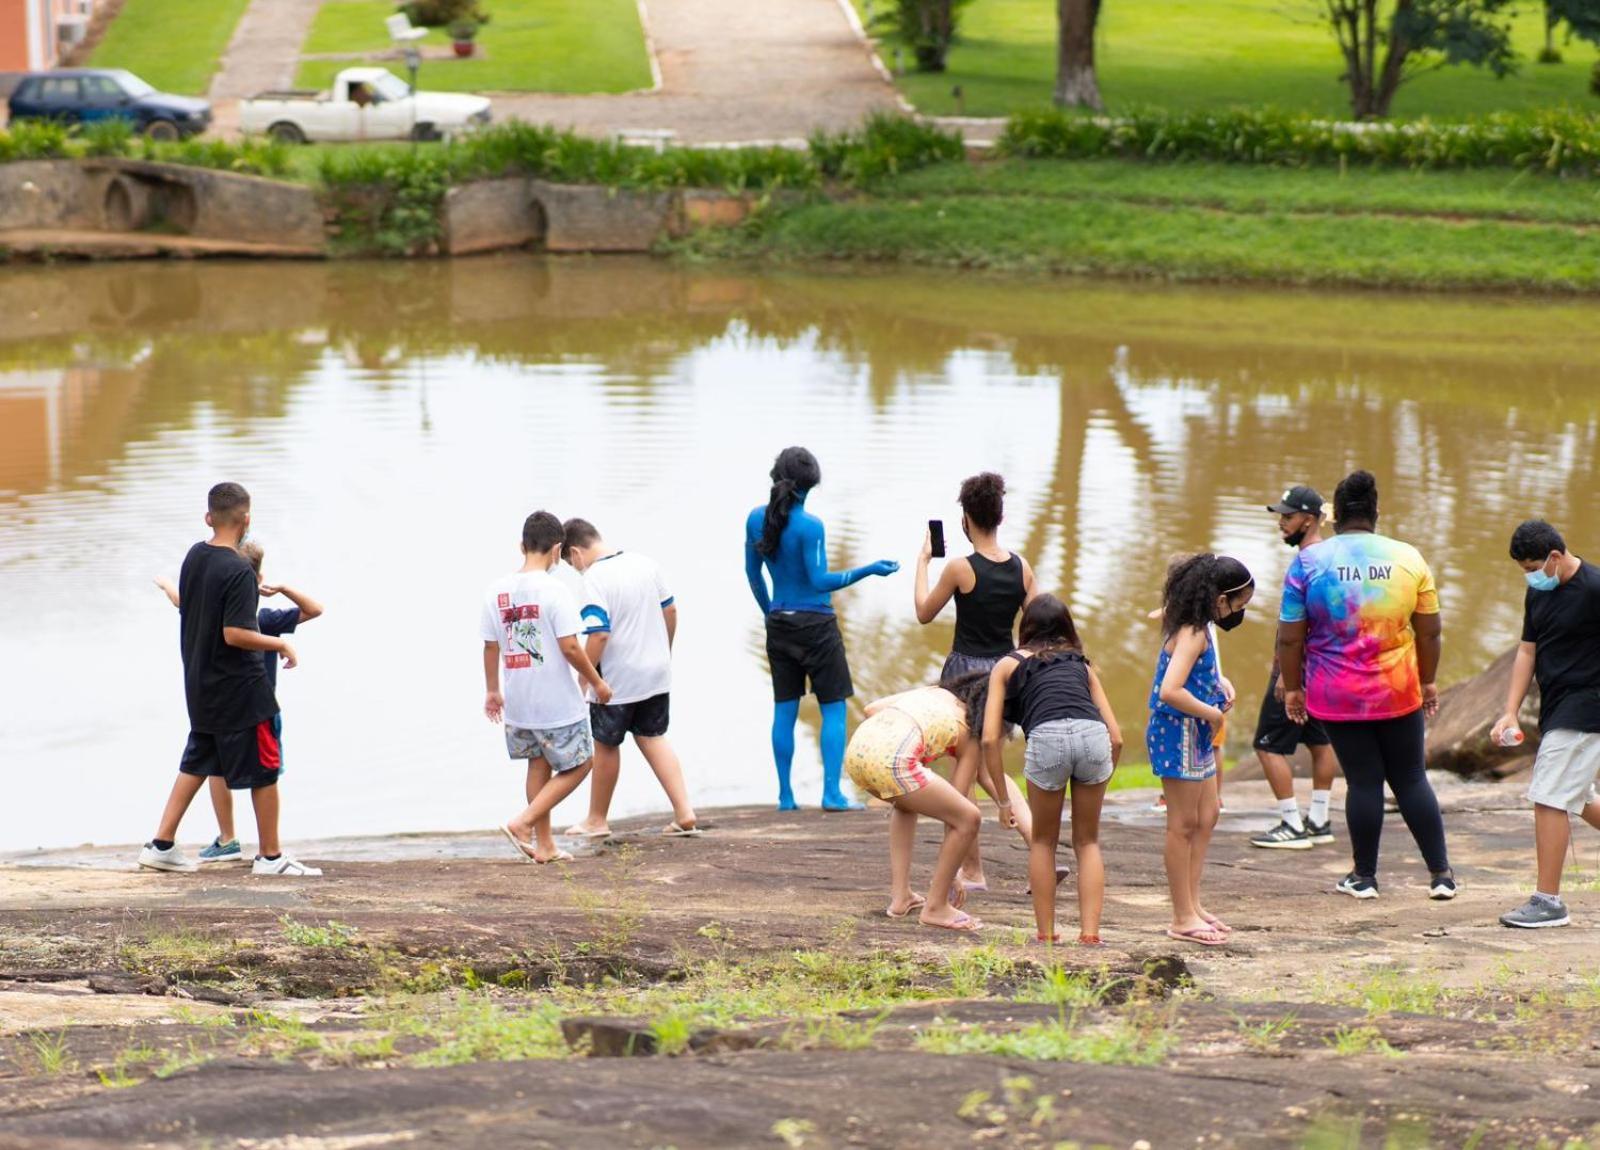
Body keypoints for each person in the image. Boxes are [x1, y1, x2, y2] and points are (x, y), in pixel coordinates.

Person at [1278, 470, 1456, 902]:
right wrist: (1428, 681)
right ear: (1377, 512)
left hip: (1337, 692)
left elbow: (1289, 636)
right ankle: (1441, 876)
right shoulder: (1409, 558)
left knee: (1363, 782)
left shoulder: (1308, 562)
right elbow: (1430, 633)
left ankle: (1365, 877)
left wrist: (1292, 688)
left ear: (1334, 514)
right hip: (1399, 689)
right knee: (1412, 777)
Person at [139, 483, 319, 877]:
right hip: (241, 689)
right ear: (246, 520)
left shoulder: (195, 556)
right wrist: (280, 645)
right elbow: (235, 633)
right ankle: (271, 858)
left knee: (199, 759)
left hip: (201, 684)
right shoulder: (238, 569)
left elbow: (189, 609)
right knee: (265, 767)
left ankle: (162, 844)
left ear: (209, 518)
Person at [744, 447, 899, 810]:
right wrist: (869, 569)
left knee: (784, 708)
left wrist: (771, 612)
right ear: (809, 486)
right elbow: (819, 579)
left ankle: (785, 796)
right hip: (816, 625)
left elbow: (753, 573)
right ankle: (831, 792)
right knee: (833, 706)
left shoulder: (754, 519)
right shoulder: (810, 526)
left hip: (780, 622)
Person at [913, 471, 1038, 886]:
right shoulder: (1022, 568)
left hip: (965, 676)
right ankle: (1031, 847)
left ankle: (975, 869)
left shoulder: (959, 568)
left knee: (967, 772)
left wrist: (921, 563)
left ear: (966, 518)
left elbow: (924, 612)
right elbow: (1037, 629)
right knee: (989, 769)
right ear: (999, 517)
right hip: (1005, 674)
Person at [983, 595, 1122, 946]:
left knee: (1043, 842)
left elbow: (988, 740)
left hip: (1047, 738)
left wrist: (1003, 801)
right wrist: (1103, 775)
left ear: (1025, 628)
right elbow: (1116, 737)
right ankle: (1090, 935)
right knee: (1087, 841)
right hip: (1093, 736)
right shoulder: (1082, 666)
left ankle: (1046, 935)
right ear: (1067, 629)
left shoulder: (1006, 666)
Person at [484, 511, 612, 864]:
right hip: (555, 701)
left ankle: (545, 846)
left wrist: (492, 691)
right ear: (558, 550)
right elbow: (571, 646)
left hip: (519, 702)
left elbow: (491, 645)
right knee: (582, 763)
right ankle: (522, 823)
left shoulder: (496, 590)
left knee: (538, 766)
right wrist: (598, 682)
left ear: (521, 545)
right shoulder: (556, 590)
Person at [560, 518, 698, 839]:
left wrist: (586, 676)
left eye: (570, 563)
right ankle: (684, 811)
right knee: (653, 736)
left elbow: (599, 634)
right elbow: (671, 611)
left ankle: (596, 819)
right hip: (656, 670)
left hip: (617, 678)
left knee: (606, 744)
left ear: (576, 553)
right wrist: (665, 652)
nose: (575, 569)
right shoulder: (645, 563)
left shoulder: (594, 579)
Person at [1493, 521, 1600, 929]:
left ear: (1555, 557)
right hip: (1557, 707)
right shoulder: (1539, 591)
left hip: (1587, 706)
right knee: (1580, 795)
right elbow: (1526, 652)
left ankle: (1548, 901)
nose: (1529, 576)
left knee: (1549, 795)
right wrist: (1509, 710)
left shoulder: (1594, 588)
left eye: (1532, 567)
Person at [1147, 553, 1254, 946]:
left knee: (1207, 816)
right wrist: (1215, 714)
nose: (1237, 613)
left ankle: (1193, 903)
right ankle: (1181, 917)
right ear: (1218, 598)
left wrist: (1219, 680)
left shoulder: (1196, 625)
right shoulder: (1192, 631)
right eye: (1237, 604)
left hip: (1195, 733)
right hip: (1178, 734)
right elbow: (1169, 690)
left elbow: (1192, 671)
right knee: (1183, 825)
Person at [846, 675, 989, 932]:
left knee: (905, 802)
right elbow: (957, 809)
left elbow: (872, 709)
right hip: (892, 760)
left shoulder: (932, 692)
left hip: (857, 754)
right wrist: (952, 876)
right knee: (969, 818)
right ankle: (935, 908)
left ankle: (901, 897)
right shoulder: (971, 730)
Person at [1249, 486, 1340, 850]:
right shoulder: (1332, 558)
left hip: (1297, 670)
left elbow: (1292, 629)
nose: (1281, 524)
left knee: (1266, 746)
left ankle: (1292, 824)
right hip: (1323, 670)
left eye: (1287, 517)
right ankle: (1319, 819)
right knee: (1320, 741)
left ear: (1309, 519)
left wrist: (1286, 678)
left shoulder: (1305, 562)